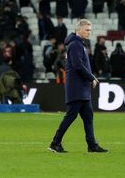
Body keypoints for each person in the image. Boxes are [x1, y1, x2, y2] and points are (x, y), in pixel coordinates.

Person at [49, 19, 107, 153]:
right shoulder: (75, 44)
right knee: (71, 115)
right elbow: (78, 66)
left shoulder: (78, 44)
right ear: (79, 29)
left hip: (81, 88)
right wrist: (91, 77)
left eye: (90, 30)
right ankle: (55, 142)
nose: (89, 32)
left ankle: (92, 144)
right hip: (76, 87)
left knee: (88, 116)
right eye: (87, 30)